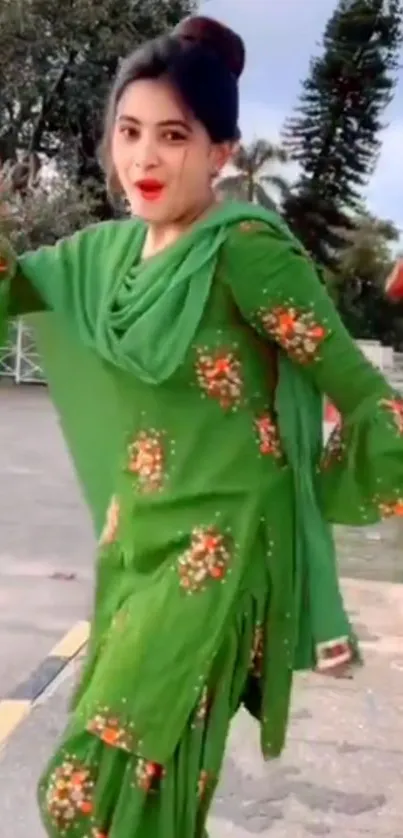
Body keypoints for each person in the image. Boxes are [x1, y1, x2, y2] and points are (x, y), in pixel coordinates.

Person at [1, 14, 403, 838]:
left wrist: (329, 491)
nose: (144, 159)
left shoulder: (243, 251)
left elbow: (360, 393)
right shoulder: (104, 257)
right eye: (129, 132)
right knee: (139, 799)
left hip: (216, 559)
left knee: (91, 794)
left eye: (173, 136)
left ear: (220, 151)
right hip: (137, 548)